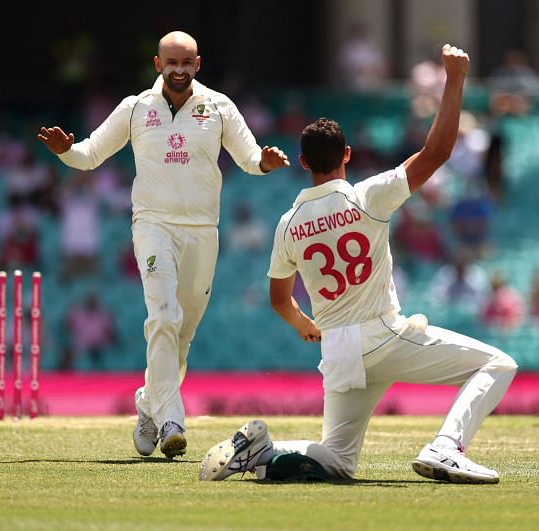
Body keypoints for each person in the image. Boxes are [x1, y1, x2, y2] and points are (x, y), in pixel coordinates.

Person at [200, 45, 518, 484]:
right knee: (498, 365)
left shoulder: (288, 223)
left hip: (339, 350)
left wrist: (304, 325)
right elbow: (439, 149)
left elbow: (279, 299)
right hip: (383, 335)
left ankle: (263, 450)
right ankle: (447, 447)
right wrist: (456, 78)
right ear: (347, 154)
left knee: (338, 460)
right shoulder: (368, 196)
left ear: (305, 162)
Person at [37, 31, 290, 458]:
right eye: (170, 61)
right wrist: (67, 151)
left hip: (202, 230)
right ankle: (172, 418)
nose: (178, 69)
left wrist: (265, 162)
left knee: (182, 332)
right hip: (153, 225)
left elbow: (250, 159)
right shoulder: (136, 108)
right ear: (157, 64)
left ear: (198, 64)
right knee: (163, 315)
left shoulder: (219, 107)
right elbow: (90, 154)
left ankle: (149, 405)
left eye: (186, 62)